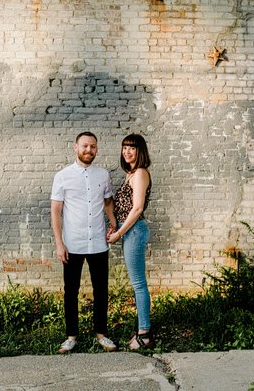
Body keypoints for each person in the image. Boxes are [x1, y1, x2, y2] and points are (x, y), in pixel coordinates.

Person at [50, 131, 118, 354]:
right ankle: (71, 336)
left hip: (98, 242)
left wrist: (113, 223)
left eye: (93, 147)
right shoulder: (62, 176)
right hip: (73, 244)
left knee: (101, 290)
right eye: (85, 146)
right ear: (76, 147)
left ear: (97, 149)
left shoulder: (103, 174)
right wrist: (59, 243)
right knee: (71, 291)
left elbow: (108, 202)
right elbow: (56, 211)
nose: (89, 150)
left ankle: (101, 333)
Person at [107, 133, 154, 350]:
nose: (127, 151)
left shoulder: (141, 174)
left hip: (135, 231)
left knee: (138, 283)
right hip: (129, 231)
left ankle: (144, 335)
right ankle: (142, 331)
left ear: (140, 151)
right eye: (124, 147)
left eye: (132, 148)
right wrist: (115, 226)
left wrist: (119, 233)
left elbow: (137, 209)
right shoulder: (130, 174)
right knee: (137, 283)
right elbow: (123, 208)